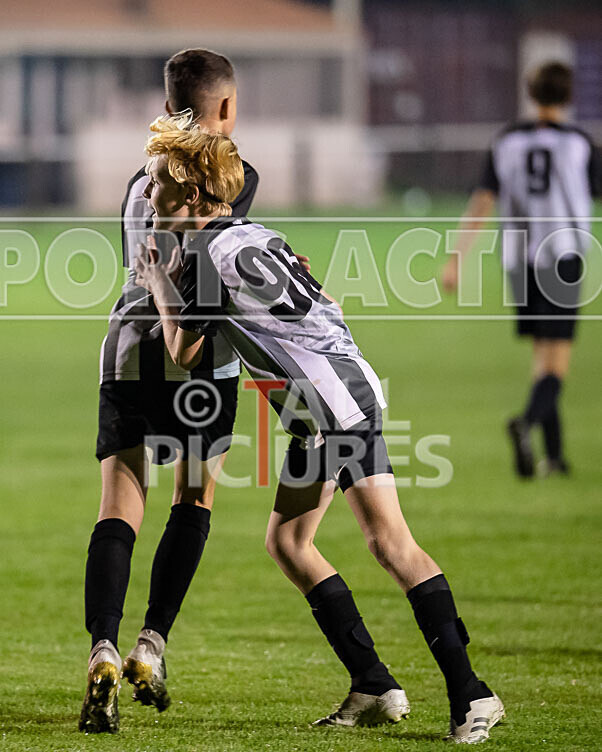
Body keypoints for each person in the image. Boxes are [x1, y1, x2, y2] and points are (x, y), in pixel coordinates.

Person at [134, 113, 504, 744]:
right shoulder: (256, 235)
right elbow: (327, 302)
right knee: (292, 542)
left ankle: (472, 693)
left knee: (388, 545)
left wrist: (160, 282)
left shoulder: (200, 260)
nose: (147, 192)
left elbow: (183, 353)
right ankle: (374, 684)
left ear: (191, 194)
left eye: (157, 182)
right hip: (342, 394)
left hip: (329, 407)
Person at [80, 49, 259, 734]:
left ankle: (101, 649)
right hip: (197, 354)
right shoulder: (228, 175)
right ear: (226, 107)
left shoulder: (141, 177)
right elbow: (225, 258)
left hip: (127, 345)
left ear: (167, 103)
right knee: (192, 497)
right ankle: (150, 646)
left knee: (119, 504)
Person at [441, 62, 599, 479]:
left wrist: (456, 258)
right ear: (569, 95)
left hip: (519, 260)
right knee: (557, 364)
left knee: (542, 358)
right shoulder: (579, 143)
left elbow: (482, 201)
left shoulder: (507, 141)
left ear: (531, 94)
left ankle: (555, 458)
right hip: (563, 257)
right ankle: (526, 424)